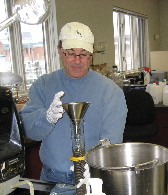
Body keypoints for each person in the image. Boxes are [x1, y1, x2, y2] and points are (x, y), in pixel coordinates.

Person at [19, 22, 128, 185]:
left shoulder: (110, 91)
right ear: (59, 51)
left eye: (83, 54)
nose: (77, 61)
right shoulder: (43, 85)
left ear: (91, 55)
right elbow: (29, 130)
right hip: (52, 177)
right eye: (71, 53)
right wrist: (46, 118)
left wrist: (94, 164)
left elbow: (111, 141)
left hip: (93, 176)